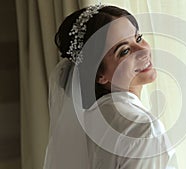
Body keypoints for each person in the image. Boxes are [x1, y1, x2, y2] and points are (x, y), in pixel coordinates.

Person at [43, 4, 178, 169]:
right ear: (99, 75)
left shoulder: (77, 126)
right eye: (124, 51)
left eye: (138, 38)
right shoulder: (141, 128)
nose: (142, 51)